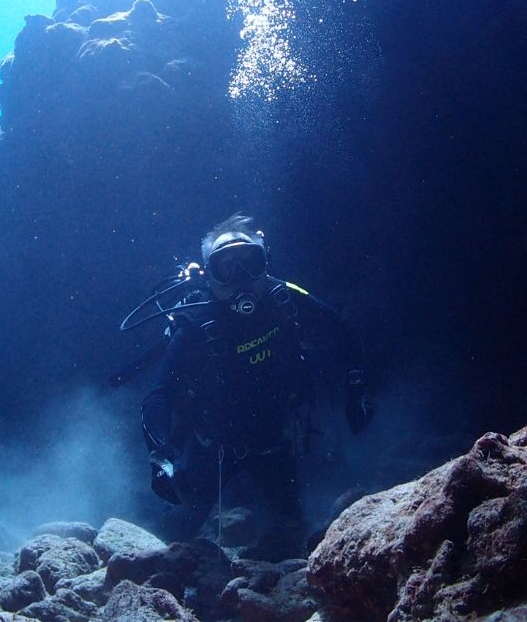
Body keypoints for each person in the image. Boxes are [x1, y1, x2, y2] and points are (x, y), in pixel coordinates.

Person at [140, 214, 371, 558]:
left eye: (250, 263)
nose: (241, 278)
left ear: (266, 264)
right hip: (214, 448)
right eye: (226, 268)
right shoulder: (194, 324)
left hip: (274, 443)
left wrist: (357, 389)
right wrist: (160, 456)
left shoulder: (284, 300)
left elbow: (343, 331)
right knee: (170, 539)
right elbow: (158, 396)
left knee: (293, 539)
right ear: (209, 275)